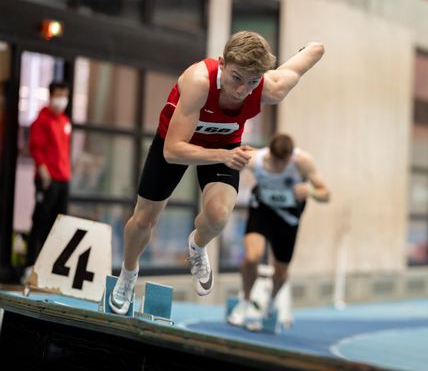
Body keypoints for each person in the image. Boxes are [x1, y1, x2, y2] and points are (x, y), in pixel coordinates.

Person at [109, 31, 325, 314]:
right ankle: (128, 274)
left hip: (224, 146)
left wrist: (309, 46)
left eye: (252, 82)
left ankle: (197, 247)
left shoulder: (270, 87)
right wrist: (224, 156)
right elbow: (172, 151)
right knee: (143, 221)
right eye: (237, 78)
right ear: (222, 63)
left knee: (219, 217)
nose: (242, 90)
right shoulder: (199, 81)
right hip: (176, 143)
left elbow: (313, 53)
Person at [227, 133, 330, 330]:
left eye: (286, 163)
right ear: (270, 155)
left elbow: (326, 194)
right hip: (262, 210)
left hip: (288, 218)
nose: (281, 167)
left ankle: (271, 302)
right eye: (277, 162)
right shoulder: (255, 160)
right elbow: (228, 160)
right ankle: (246, 301)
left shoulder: (303, 162)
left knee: (281, 270)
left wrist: (311, 192)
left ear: (291, 157)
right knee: (251, 256)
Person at [27, 81, 71, 270]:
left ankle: (49, 268)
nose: (62, 100)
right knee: (40, 221)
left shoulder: (64, 121)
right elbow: (36, 149)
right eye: (58, 95)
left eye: (64, 95)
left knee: (58, 225)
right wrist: (44, 173)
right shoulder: (42, 120)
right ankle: (30, 265)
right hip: (47, 179)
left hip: (63, 178)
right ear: (51, 95)